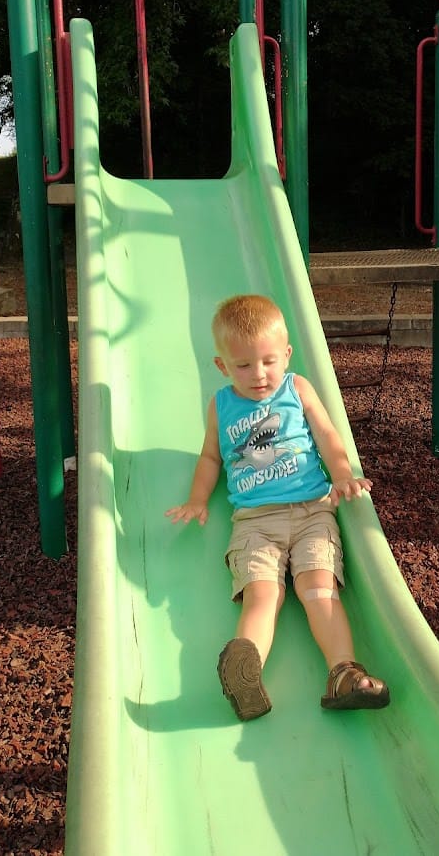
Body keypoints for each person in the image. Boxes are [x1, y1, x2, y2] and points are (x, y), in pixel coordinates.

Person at [166, 294, 389, 722]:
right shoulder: (221, 406)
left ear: (286, 355)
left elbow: (326, 432)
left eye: (268, 361)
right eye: (244, 365)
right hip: (255, 521)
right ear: (222, 366)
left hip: (312, 512)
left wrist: (342, 474)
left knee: (319, 590)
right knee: (262, 596)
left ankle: (343, 674)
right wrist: (197, 499)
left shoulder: (296, 387)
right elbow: (210, 457)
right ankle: (245, 677)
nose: (259, 374)